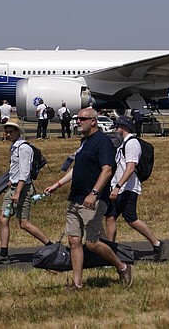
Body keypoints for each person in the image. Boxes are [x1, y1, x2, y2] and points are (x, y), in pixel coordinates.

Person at [44, 107, 133, 290]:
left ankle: (122, 266)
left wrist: (93, 193)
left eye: (82, 119)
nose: (78, 121)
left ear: (93, 121)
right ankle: (77, 284)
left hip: (93, 200)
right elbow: (76, 168)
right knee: (74, 241)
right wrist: (57, 185)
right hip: (76, 198)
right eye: (77, 118)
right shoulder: (84, 142)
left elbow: (107, 170)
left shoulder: (103, 142)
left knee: (92, 243)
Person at [0, 121, 53, 265]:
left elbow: (24, 172)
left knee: (24, 223)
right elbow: (16, 169)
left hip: (22, 189)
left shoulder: (23, 148)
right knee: (3, 218)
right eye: (7, 131)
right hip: (13, 187)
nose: (9, 134)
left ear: (18, 132)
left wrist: (17, 192)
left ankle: (52, 247)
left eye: (11, 131)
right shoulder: (14, 147)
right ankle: (4, 253)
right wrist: (11, 181)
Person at [105, 116, 166, 261]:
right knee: (110, 217)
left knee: (131, 219)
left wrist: (118, 186)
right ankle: (109, 252)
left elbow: (131, 167)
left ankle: (157, 243)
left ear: (124, 127)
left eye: (117, 126)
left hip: (127, 188)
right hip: (118, 187)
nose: (115, 128)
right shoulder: (123, 143)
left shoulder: (132, 144)